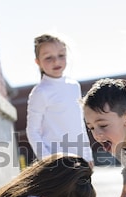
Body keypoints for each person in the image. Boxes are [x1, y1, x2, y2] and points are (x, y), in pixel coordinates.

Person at [26, 34, 93, 165]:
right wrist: (47, 159)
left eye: (61, 55)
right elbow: (32, 131)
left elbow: (80, 125)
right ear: (38, 62)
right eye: (48, 57)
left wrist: (88, 156)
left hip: (80, 160)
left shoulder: (74, 86)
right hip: (56, 163)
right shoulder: (40, 92)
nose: (56, 61)